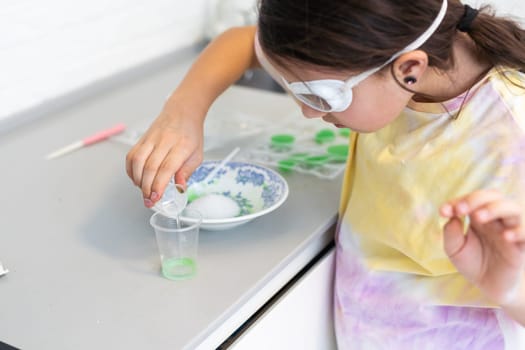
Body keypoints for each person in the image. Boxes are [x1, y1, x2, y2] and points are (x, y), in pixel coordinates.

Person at [126, 0, 525, 347]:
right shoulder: (402, 71)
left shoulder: (511, 135)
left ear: (409, 69)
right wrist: (183, 113)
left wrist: (513, 290)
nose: (309, 113)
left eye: (319, 95)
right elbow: (242, 42)